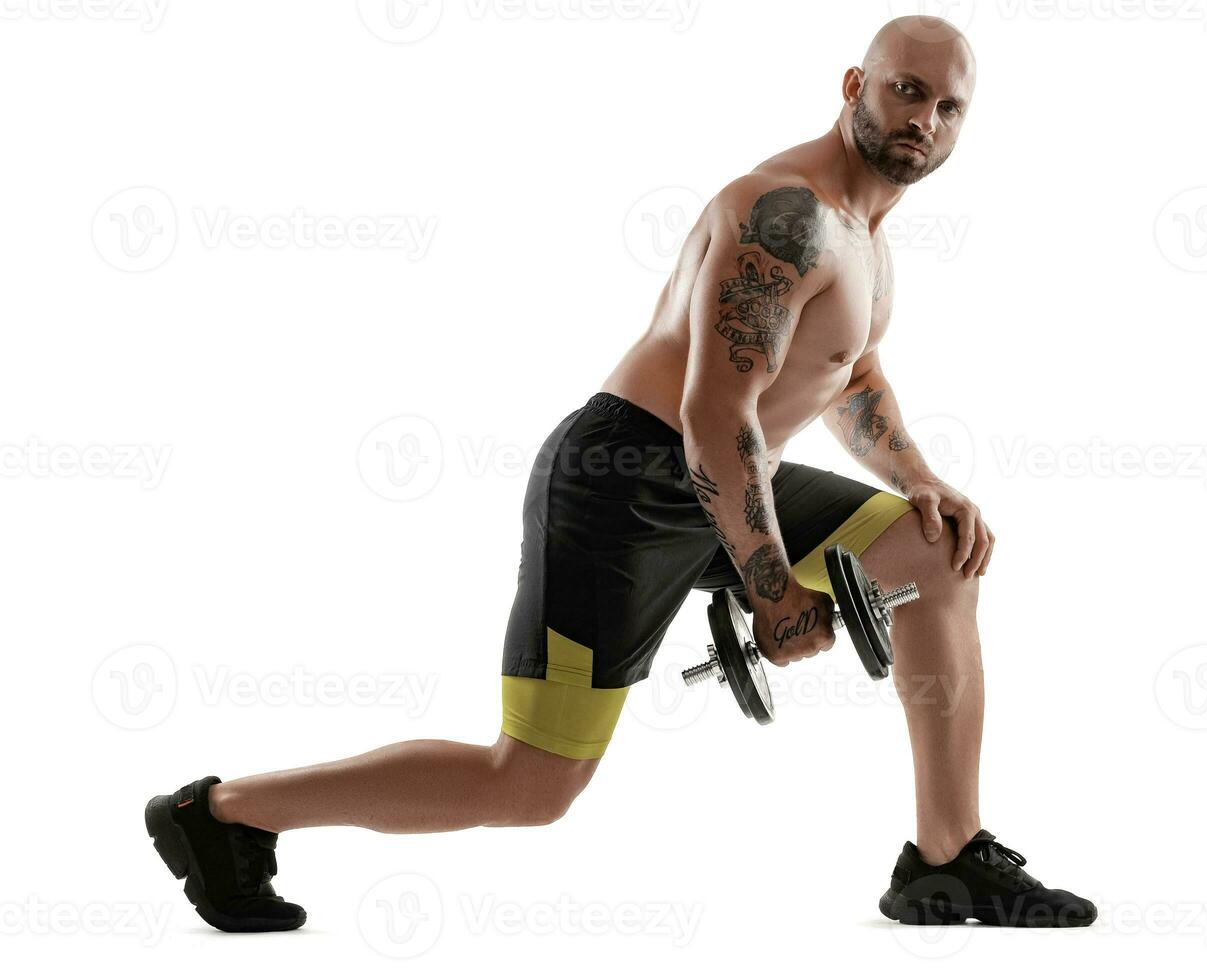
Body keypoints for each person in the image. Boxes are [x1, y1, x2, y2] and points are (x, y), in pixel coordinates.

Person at [145, 15, 1096, 932]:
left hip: (732, 480)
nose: (923, 119)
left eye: (947, 106)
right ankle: (223, 813)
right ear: (856, 87)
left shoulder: (868, 239)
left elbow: (851, 376)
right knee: (527, 783)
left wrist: (919, 476)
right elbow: (713, 412)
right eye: (905, 90)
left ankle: (945, 857)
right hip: (625, 483)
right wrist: (769, 588)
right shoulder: (788, 214)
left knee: (937, 550)